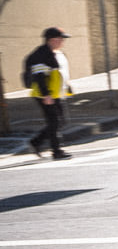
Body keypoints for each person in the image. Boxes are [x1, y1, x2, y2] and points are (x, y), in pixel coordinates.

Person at [24, 27, 74, 160]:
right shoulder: (41, 55)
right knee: (54, 121)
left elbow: (60, 73)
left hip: (56, 93)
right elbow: (40, 76)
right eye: (61, 39)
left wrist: (67, 87)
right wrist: (46, 95)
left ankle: (36, 142)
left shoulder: (56, 53)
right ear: (52, 40)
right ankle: (57, 152)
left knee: (60, 121)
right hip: (44, 94)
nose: (63, 41)